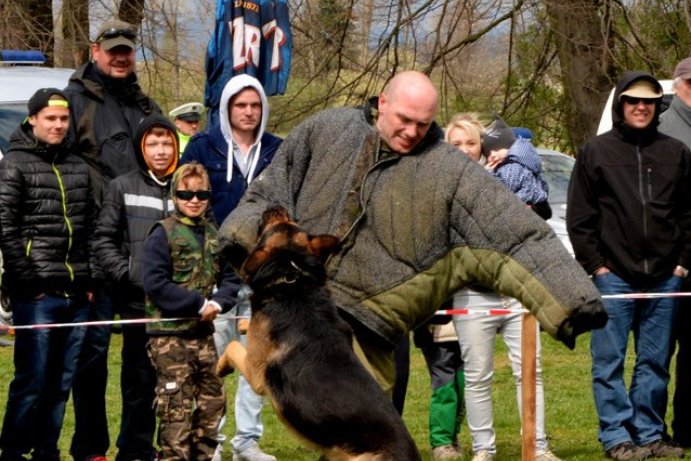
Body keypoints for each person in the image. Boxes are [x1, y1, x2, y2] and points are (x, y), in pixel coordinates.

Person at [219, 70, 607, 395]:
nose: (411, 131)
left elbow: (517, 234)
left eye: (422, 124)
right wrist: (239, 237)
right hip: (301, 315)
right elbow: (270, 191)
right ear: (382, 102)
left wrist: (574, 301)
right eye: (404, 119)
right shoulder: (325, 130)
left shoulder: (450, 172)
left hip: (370, 332)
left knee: (364, 443)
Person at [567, 70, 691, 461]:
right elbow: (580, 218)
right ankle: (616, 437)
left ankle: (650, 433)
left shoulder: (676, 153)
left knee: (655, 361)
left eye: (649, 102)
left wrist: (682, 266)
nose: (641, 107)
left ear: (658, 106)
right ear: (622, 104)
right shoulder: (596, 152)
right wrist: (597, 266)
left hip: (666, 279)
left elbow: (689, 215)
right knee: (609, 362)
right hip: (614, 278)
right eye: (634, 100)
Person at [63, 17, 161, 461]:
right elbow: (59, 174)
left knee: (143, 362)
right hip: (93, 250)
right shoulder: (73, 100)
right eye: (113, 49)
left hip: (142, 248)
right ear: (94, 50)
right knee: (92, 357)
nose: (121, 56)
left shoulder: (145, 105)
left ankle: (137, 447)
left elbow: (164, 169)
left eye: (127, 49)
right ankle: (90, 448)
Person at [446, 113, 561, 461]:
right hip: (473, 292)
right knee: (478, 374)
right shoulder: (441, 183)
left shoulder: (508, 173)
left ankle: (537, 446)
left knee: (530, 370)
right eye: (456, 144)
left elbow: (540, 209)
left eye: (471, 143)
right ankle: (484, 450)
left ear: (483, 145)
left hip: (517, 288)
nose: (465, 150)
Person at [182, 74, 281, 461]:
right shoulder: (203, 146)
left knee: (256, 356)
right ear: (226, 108)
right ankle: (214, 440)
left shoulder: (276, 150)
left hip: (263, 272)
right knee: (217, 357)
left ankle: (247, 442)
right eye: (240, 105)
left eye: (255, 105)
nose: (249, 112)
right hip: (217, 270)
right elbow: (187, 200)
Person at [0, 88, 96, 461]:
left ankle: (47, 450)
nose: (58, 125)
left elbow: (88, 227)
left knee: (61, 382)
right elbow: (5, 227)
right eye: (51, 118)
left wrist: (87, 280)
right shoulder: (15, 163)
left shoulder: (76, 165)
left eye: (63, 118)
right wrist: (28, 281)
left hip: (76, 294)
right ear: (33, 119)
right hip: (37, 295)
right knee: (32, 379)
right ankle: (12, 450)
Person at [92, 114, 180, 461]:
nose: (160, 151)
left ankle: (171, 449)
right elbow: (103, 241)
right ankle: (134, 450)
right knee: (139, 383)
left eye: (166, 143)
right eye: (153, 144)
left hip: (178, 308)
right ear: (141, 148)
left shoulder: (187, 185)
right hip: (137, 304)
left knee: (175, 383)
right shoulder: (123, 186)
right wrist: (129, 273)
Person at [143, 162, 236, 461]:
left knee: (213, 404)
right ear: (175, 195)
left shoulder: (214, 233)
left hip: (204, 337)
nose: (193, 200)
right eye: (185, 194)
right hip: (169, 339)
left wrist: (219, 303)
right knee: (176, 411)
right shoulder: (162, 233)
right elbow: (155, 283)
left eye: (201, 194)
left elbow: (232, 278)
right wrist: (197, 304)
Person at [659, 57, 691, 449]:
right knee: (660, 350)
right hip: (673, 258)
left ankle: (686, 428)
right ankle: (653, 431)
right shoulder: (666, 127)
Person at [412, 309, 464, 461]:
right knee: (444, 390)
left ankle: (451, 437)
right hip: (435, 334)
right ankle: (441, 443)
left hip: (469, 332)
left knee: (465, 388)